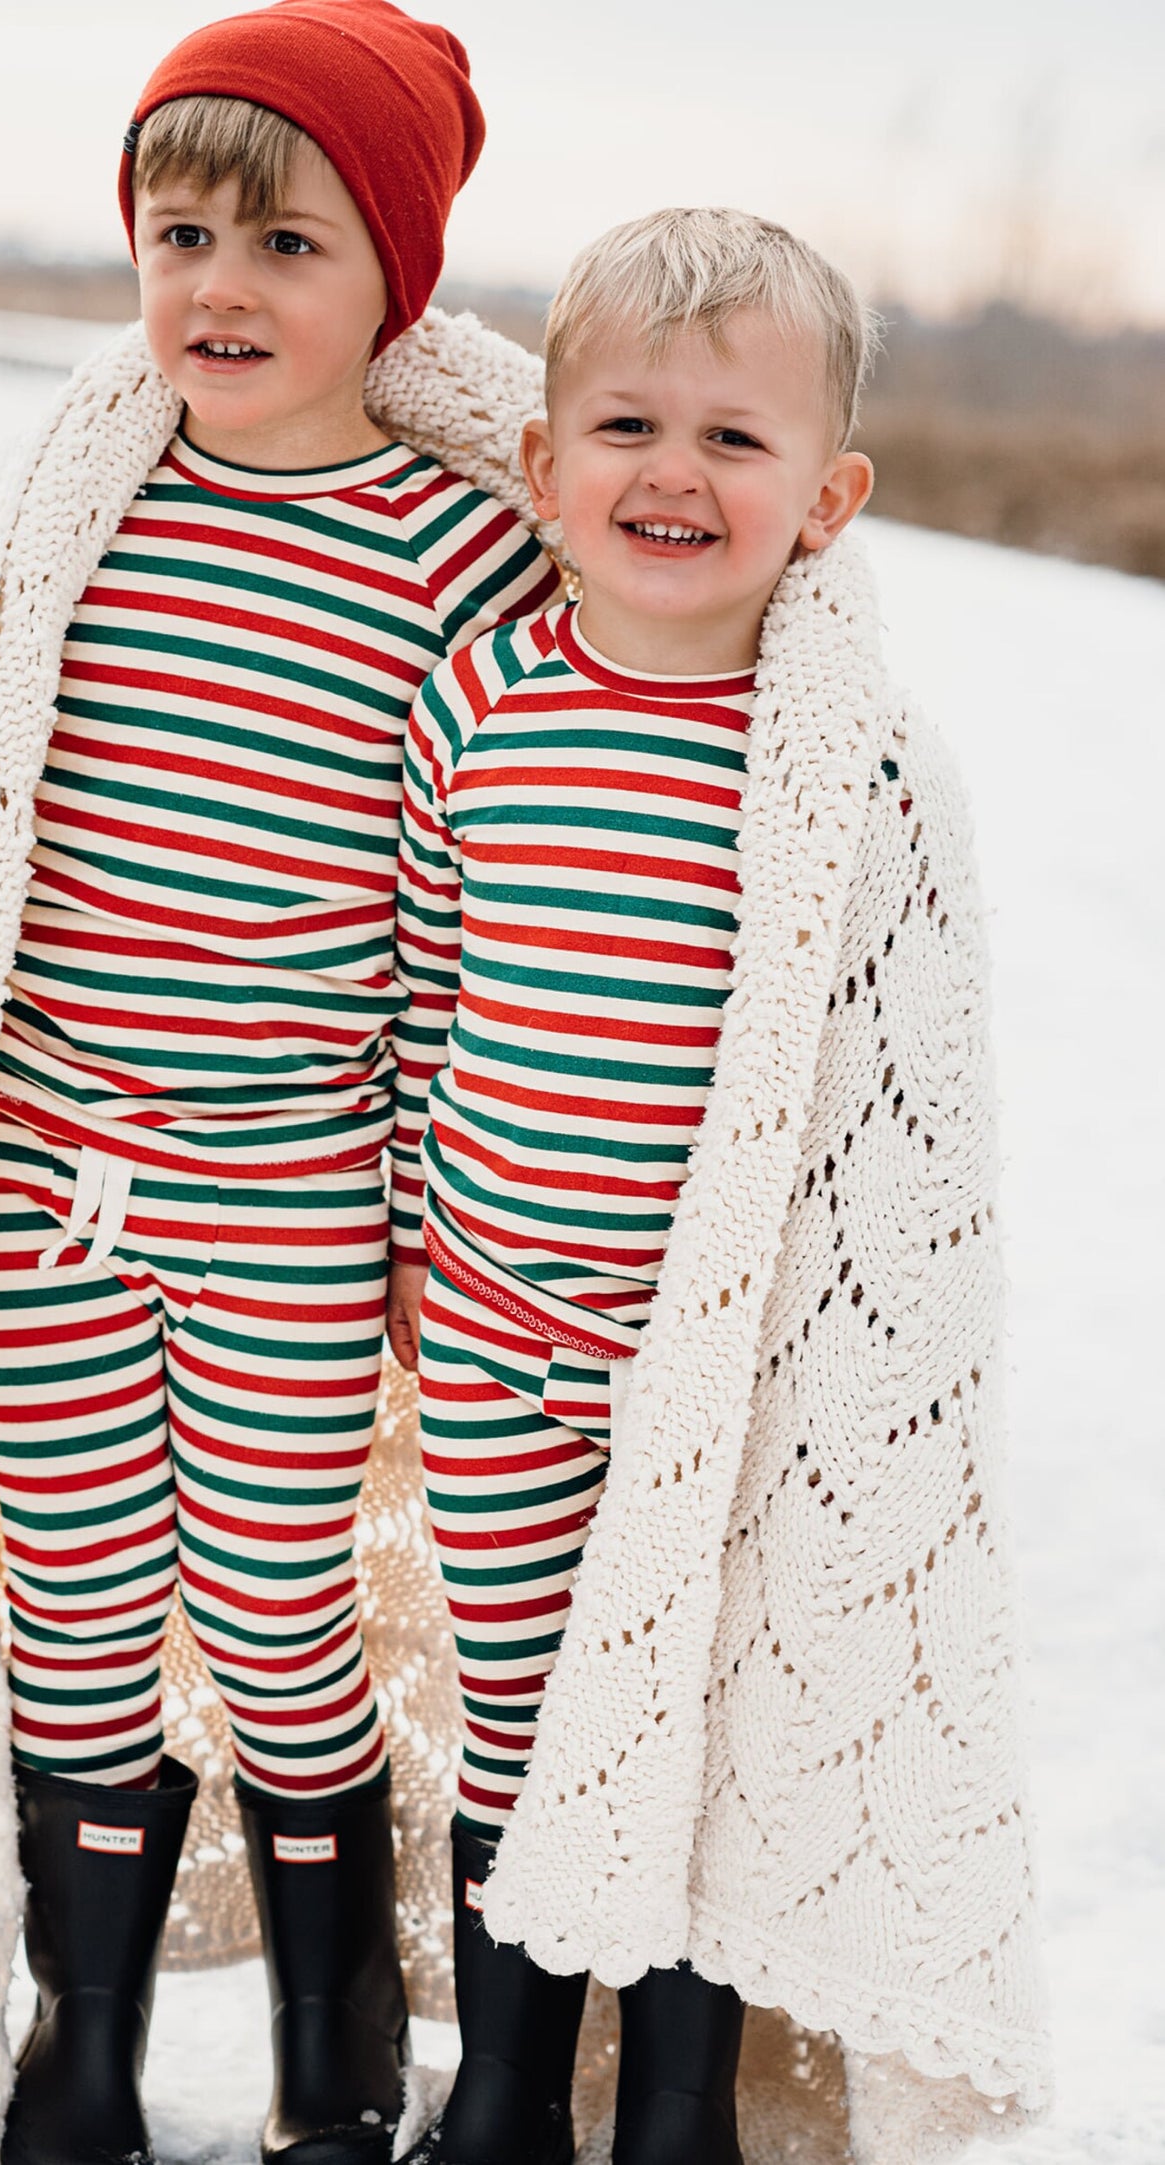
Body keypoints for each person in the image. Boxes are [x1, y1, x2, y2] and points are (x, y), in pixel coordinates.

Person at [0, 8, 558, 2164]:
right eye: (178, 232)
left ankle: (332, 2027)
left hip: (288, 1188)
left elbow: (507, 874)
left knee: (284, 1611)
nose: (218, 285)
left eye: (285, 241)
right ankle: (78, 2038)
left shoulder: (471, 560)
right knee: (76, 1607)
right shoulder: (69, 513)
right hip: (40, 1174)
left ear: (398, 275)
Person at [387, 207, 1044, 2165]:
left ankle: (683, 2112)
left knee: (707, 1742)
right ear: (543, 461)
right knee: (513, 1726)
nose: (675, 474)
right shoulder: (478, 710)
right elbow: (427, 1006)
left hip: (733, 1378)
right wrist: (419, 1257)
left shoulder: (856, 769)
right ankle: (505, 2091)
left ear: (828, 498)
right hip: (503, 1343)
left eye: (737, 443)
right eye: (630, 427)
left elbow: (911, 1106)